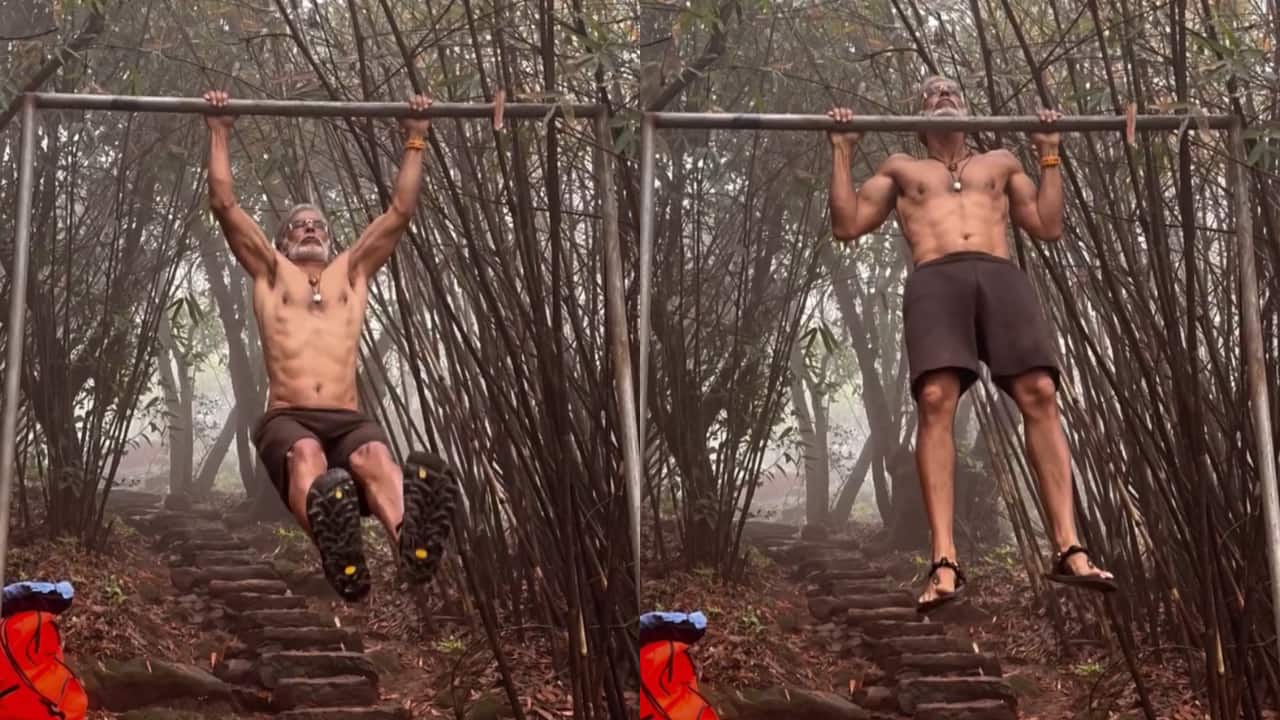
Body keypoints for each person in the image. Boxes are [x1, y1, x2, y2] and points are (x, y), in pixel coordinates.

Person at [826, 76, 1118, 613]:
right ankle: (944, 560)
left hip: (1000, 274)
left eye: (952, 89)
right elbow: (847, 225)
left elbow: (1047, 226)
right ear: (917, 115)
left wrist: (1050, 156)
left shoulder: (1001, 162)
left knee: (1039, 393)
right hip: (935, 279)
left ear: (966, 107)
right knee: (935, 400)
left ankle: (1069, 547)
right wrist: (843, 152)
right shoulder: (900, 168)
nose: (943, 93)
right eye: (931, 91)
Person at [202, 89, 458, 602]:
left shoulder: (352, 271)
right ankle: (336, 549)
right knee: (307, 456)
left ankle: (413, 545)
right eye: (298, 226)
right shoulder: (272, 274)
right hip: (290, 417)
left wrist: (416, 136)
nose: (310, 229)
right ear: (280, 241)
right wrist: (220, 129)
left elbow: (400, 210)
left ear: (331, 237)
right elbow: (225, 204)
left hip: (347, 414)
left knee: (376, 456)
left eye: (318, 225)